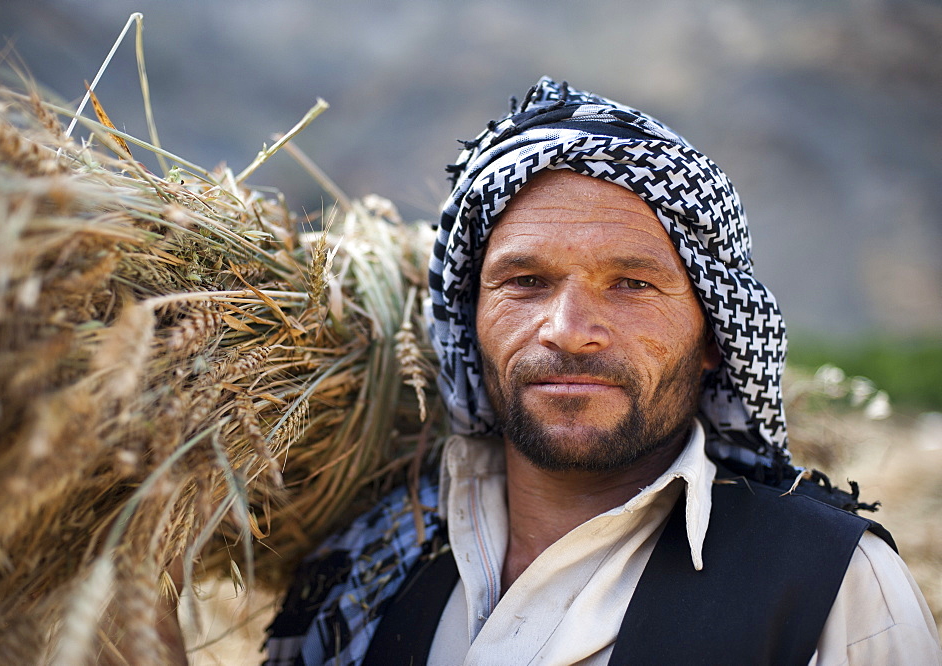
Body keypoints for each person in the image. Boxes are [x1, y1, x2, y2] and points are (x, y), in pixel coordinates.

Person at [263, 78, 941, 665]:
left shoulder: (833, 588)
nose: (568, 331)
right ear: (468, 320)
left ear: (715, 334)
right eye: (525, 281)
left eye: (632, 285)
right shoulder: (364, 565)